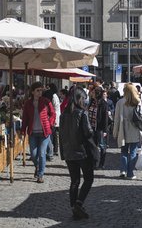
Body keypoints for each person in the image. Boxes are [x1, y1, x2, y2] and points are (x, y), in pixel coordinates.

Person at [60, 86, 97, 220]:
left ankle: (73, 207)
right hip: (82, 151)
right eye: (84, 98)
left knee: (74, 180)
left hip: (69, 151)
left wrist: (63, 152)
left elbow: (61, 135)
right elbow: (88, 133)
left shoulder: (63, 114)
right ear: (79, 99)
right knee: (88, 179)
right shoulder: (82, 113)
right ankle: (78, 203)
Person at [20, 81, 56, 182]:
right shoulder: (28, 103)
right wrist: (23, 131)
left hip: (45, 132)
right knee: (33, 154)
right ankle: (37, 167)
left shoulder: (46, 101)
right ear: (32, 92)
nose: (40, 92)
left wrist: (50, 123)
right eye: (38, 90)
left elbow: (53, 114)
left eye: (41, 90)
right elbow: (25, 118)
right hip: (33, 133)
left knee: (41, 153)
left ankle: (40, 175)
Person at [112, 82, 142, 179]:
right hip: (134, 129)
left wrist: (115, 132)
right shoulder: (137, 102)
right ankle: (130, 173)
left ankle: (123, 171)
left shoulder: (120, 102)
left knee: (123, 151)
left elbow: (116, 119)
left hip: (123, 130)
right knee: (133, 152)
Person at [88, 86, 112, 170]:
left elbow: (105, 118)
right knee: (93, 146)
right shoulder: (91, 102)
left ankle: (101, 163)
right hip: (91, 127)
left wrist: (105, 130)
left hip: (100, 128)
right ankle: (94, 162)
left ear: (97, 93)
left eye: (93, 92)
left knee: (102, 146)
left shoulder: (103, 104)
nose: (91, 93)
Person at [45, 83, 61, 162]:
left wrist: (52, 119)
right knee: (54, 135)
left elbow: (54, 108)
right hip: (54, 117)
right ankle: (54, 150)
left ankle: (53, 151)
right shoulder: (54, 95)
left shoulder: (53, 96)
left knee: (52, 135)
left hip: (54, 117)